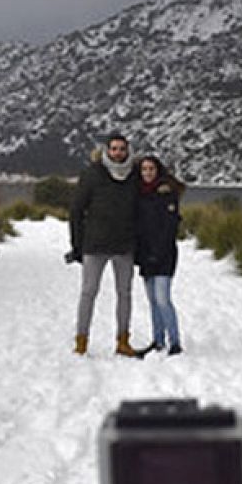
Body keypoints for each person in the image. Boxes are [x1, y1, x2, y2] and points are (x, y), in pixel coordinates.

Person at [69, 133, 141, 357]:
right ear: (106, 151)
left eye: (122, 149)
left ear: (128, 150)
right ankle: (81, 342)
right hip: (95, 245)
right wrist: (77, 246)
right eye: (114, 148)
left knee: (125, 294)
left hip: (124, 245)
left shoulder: (135, 175)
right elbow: (76, 211)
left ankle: (123, 341)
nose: (118, 153)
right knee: (88, 292)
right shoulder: (92, 174)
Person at [134, 156, 185, 355]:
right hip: (145, 254)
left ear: (158, 171)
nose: (147, 172)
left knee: (163, 299)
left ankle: (175, 342)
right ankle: (158, 340)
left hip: (164, 254)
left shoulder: (167, 193)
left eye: (151, 169)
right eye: (144, 169)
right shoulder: (138, 194)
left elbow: (170, 227)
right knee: (153, 301)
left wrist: (158, 252)